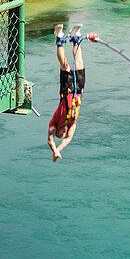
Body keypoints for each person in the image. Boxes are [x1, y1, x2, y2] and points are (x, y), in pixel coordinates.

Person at [47, 23, 85, 161]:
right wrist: (60, 150)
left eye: (59, 134)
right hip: (78, 91)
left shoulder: (55, 121)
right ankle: (75, 37)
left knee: (65, 65)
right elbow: (69, 138)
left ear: (56, 130)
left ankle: (59, 38)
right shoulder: (71, 124)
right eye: (62, 134)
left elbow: (50, 140)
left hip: (66, 90)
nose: (62, 134)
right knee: (79, 63)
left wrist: (54, 149)